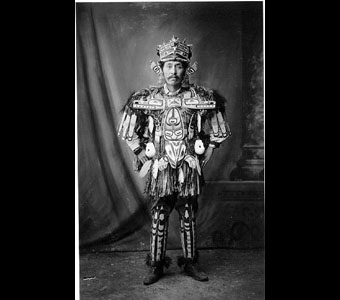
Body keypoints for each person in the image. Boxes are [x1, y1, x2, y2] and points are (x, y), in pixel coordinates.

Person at [117, 36, 231, 285]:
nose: (174, 71)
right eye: (169, 65)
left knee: (188, 213)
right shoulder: (146, 98)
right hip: (160, 169)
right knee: (159, 214)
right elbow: (128, 132)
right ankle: (156, 265)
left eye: (179, 65)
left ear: (187, 68)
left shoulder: (201, 97)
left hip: (188, 167)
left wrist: (205, 153)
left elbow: (219, 130)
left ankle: (190, 263)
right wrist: (142, 155)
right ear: (159, 68)